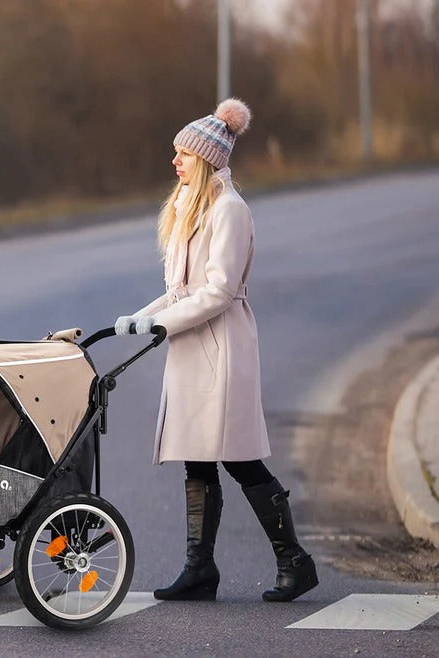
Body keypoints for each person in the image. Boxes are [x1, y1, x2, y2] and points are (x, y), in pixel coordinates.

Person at [115, 99, 318, 602]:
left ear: (206, 159)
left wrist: (160, 324)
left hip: (220, 347)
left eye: (183, 153)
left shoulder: (229, 210)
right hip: (191, 344)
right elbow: (180, 290)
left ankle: (295, 561)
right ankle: (199, 569)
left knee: (238, 458)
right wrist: (140, 318)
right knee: (197, 458)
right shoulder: (188, 207)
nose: (175, 161)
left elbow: (220, 291)